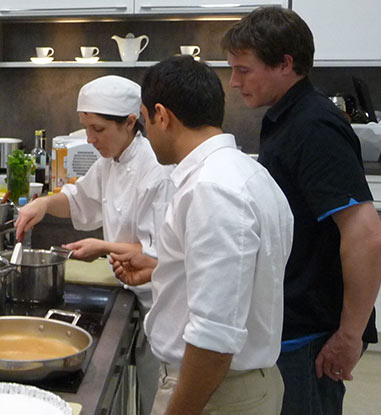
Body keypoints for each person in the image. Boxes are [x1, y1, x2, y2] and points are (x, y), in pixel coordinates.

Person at [221, 7, 381, 415]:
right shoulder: (285, 117)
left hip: (312, 335)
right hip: (291, 325)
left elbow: (367, 236)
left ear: (285, 64)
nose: (234, 82)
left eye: (244, 70)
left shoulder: (314, 126)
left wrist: (349, 336)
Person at [112, 55, 294, 415]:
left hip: (215, 394)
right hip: (227, 386)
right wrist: (164, 268)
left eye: (145, 122)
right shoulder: (242, 172)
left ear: (161, 116)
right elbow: (238, 282)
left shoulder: (214, 189)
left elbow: (214, 337)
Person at [14, 74, 175, 415]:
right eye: (86, 128)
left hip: (159, 308)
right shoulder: (110, 160)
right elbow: (79, 199)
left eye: (98, 129)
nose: (90, 139)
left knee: (155, 402)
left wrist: (102, 248)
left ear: (131, 122)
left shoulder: (155, 171)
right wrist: (42, 204)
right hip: (130, 292)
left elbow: (157, 256)